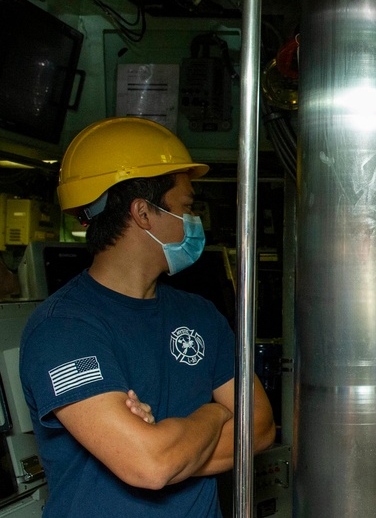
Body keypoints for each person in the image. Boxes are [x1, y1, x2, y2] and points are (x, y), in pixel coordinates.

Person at [19, 117, 275, 517]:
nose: (195, 221)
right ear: (143, 213)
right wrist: (217, 412)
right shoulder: (62, 329)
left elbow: (259, 427)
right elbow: (150, 465)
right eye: (186, 207)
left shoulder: (199, 314)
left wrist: (172, 453)